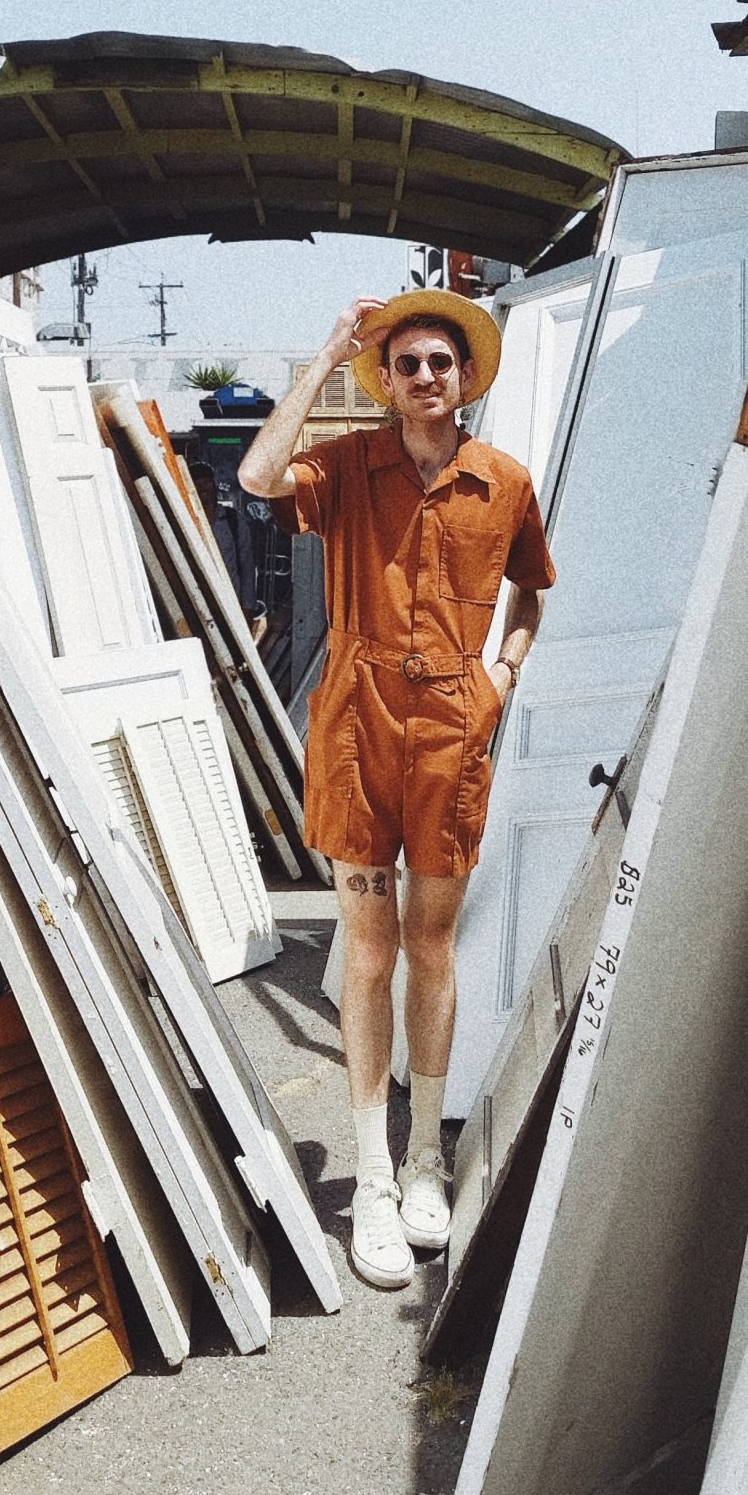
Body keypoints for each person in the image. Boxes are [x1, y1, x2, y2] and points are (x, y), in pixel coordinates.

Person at [238, 289, 554, 1289]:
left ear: (466, 378)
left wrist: (500, 680)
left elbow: (531, 594)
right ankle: (372, 1175)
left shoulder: (504, 482)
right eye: (407, 362)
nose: (424, 376)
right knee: (369, 952)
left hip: (452, 725)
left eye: (440, 363)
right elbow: (256, 475)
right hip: (357, 722)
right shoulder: (344, 467)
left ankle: (425, 1158)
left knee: (432, 946)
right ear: (386, 377)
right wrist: (330, 350)